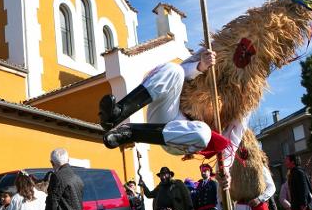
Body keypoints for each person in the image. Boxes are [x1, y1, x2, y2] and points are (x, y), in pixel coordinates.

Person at [99, 49, 242, 169]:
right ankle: (116, 113)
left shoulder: (243, 98)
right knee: (175, 70)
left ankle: (130, 133)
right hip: (168, 112)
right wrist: (201, 65)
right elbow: (181, 70)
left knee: (203, 133)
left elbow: (234, 137)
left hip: (183, 136)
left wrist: (226, 170)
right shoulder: (212, 51)